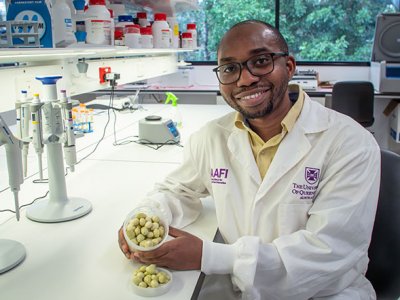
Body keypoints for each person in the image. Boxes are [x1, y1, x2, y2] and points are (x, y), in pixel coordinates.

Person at [118, 20, 381, 300]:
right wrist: (146, 215)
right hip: (242, 287)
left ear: (289, 67)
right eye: (230, 68)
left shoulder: (349, 142)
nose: (245, 79)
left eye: (261, 61)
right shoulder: (212, 137)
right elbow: (176, 190)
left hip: (326, 293)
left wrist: (211, 256)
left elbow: (328, 251)